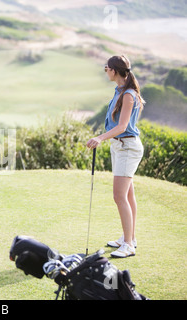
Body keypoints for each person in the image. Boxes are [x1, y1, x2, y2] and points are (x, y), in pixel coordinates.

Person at [86, 55, 144, 258]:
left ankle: (128, 244)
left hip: (127, 147)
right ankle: (130, 237)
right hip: (120, 147)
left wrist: (99, 138)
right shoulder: (120, 91)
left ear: (114, 70)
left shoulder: (128, 95)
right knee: (127, 195)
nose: (105, 71)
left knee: (119, 196)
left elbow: (122, 126)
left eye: (106, 68)